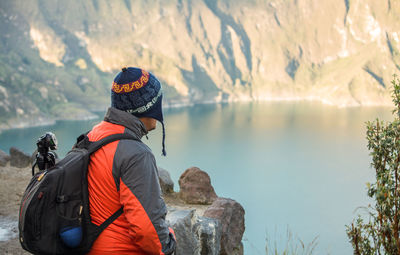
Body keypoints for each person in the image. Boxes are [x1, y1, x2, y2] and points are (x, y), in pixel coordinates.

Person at [87, 67, 176, 254]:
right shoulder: (135, 154)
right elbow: (147, 228)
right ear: (149, 107)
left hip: (89, 245)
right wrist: (168, 246)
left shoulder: (93, 136)